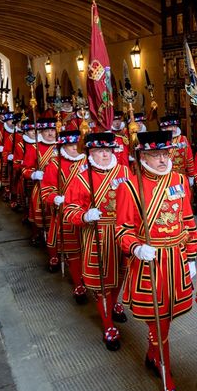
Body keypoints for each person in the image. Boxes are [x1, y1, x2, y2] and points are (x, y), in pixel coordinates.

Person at [115, 130, 197, 391]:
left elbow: (187, 220)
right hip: (150, 264)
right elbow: (122, 230)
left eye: (166, 154)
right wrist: (136, 247)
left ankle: (153, 354)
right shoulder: (129, 187)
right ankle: (168, 384)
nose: (164, 160)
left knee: (169, 318)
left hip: (175, 259)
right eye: (156, 155)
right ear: (142, 157)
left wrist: (191, 257)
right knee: (158, 322)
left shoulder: (177, 180)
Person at [64, 132, 132, 349]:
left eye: (108, 150)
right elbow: (69, 210)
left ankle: (114, 303)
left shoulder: (124, 171)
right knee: (103, 283)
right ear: (90, 152)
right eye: (99, 151)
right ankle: (107, 324)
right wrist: (84, 215)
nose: (104, 154)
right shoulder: (81, 177)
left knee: (120, 274)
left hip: (122, 232)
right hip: (97, 235)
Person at [40, 130, 87, 301]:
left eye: (77, 145)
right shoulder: (54, 163)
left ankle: (91, 280)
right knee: (73, 249)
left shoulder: (88, 161)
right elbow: (46, 190)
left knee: (90, 249)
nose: (75, 148)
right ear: (63, 146)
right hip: (67, 211)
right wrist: (55, 198)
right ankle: (78, 284)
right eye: (70, 145)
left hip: (87, 211)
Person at [21, 117, 57, 247]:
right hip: (42, 186)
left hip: (61, 186)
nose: (50, 134)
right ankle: (38, 234)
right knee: (40, 212)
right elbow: (25, 169)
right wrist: (34, 174)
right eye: (46, 130)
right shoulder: (34, 147)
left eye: (52, 130)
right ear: (40, 132)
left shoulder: (63, 146)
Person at [160, 113, 195, 182]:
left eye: (175, 126)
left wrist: (191, 175)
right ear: (164, 128)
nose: (173, 129)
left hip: (180, 176)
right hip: (164, 176)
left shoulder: (183, 139)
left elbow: (189, 158)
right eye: (171, 126)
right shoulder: (160, 140)